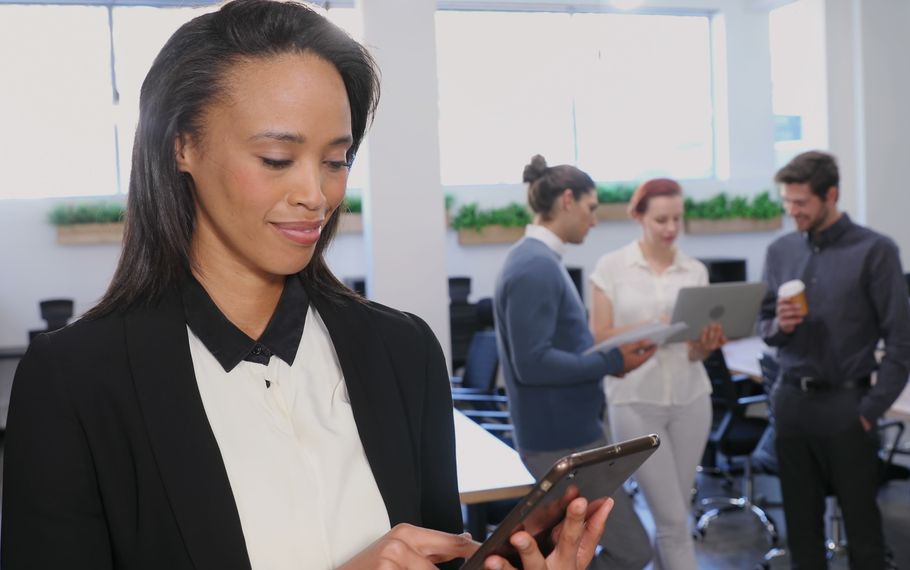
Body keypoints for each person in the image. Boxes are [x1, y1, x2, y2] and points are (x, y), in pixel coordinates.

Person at [0, 3, 612, 569]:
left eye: (336, 160)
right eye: (275, 158)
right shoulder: (75, 383)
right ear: (182, 144)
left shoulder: (403, 353)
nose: (316, 196)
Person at [494, 155, 658, 570]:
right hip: (561, 440)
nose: (595, 220)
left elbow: (547, 353)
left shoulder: (537, 261)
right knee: (634, 550)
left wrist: (610, 361)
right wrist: (607, 360)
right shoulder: (534, 266)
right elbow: (533, 364)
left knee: (578, 549)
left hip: (565, 432)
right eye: (591, 208)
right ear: (567, 200)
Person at [755, 151, 910, 570]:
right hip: (790, 403)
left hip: (848, 408)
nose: (792, 211)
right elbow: (764, 324)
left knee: (864, 532)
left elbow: (901, 340)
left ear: (831, 195)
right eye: (787, 202)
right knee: (801, 533)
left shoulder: (876, 250)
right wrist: (781, 327)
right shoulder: (780, 250)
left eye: (801, 203)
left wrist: (869, 411)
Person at [588, 178, 726, 570]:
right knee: (671, 518)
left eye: (677, 219)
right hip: (635, 402)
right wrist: (658, 324)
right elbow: (601, 335)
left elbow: (695, 352)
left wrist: (707, 343)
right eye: (661, 219)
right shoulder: (611, 267)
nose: (670, 228)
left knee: (676, 512)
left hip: (691, 400)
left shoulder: (694, 270)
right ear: (638, 216)